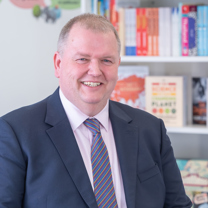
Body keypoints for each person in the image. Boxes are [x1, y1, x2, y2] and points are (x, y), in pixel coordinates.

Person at [0, 13, 192, 208]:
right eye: (83, 59)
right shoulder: (16, 133)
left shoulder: (151, 129)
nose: (95, 71)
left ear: (118, 65)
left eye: (106, 60)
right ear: (58, 64)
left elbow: (177, 205)